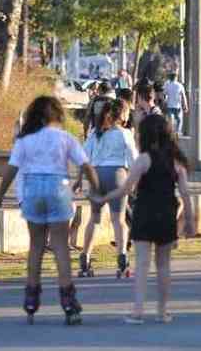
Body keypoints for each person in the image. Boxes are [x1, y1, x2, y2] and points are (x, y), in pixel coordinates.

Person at [0, 96, 100, 325]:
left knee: (36, 246)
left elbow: (11, 170)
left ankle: (32, 298)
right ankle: (69, 302)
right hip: (58, 187)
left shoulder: (25, 140)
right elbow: (86, 166)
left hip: (32, 189)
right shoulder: (66, 138)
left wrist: (0, 196)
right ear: (57, 115)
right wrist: (97, 189)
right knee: (61, 247)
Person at [91, 114, 195, 324]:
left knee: (142, 265)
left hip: (145, 213)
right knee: (164, 266)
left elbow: (125, 189)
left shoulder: (144, 159)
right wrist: (189, 220)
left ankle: (137, 311)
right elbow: (185, 194)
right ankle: (162, 312)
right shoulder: (176, 163)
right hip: (167, 214)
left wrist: (102, 197)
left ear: (145, 135)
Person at [76, 99, 137, 278]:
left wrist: (79, 179)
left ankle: (85, 260)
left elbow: (83, 157)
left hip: (95, 176)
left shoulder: (95, 133)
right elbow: (133, 158)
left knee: (94, 219)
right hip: (117, 174)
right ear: (123, 115)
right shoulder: (124, 133)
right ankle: (122, 260)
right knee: (118, 220)